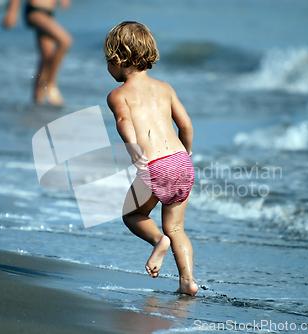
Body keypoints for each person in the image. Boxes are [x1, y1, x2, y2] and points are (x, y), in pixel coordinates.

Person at [104, 21, 198, 295]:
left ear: (119, 59)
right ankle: (188, 281)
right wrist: (187, 150)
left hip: (154, 165)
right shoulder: (165, 88)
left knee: (132, 213)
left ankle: (158, 241)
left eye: (108, 61)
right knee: (177, 227)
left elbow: (124, 120)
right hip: (182, 162)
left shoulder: (118, 94)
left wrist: (132, 146)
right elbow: (186, 125)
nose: (107, 67)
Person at [2, 0, 72, 106]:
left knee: (47, 56)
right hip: (36, 11)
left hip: (48, 13)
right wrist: (12, 11)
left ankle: (37, 100)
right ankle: (50, 83)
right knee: (65, 41)